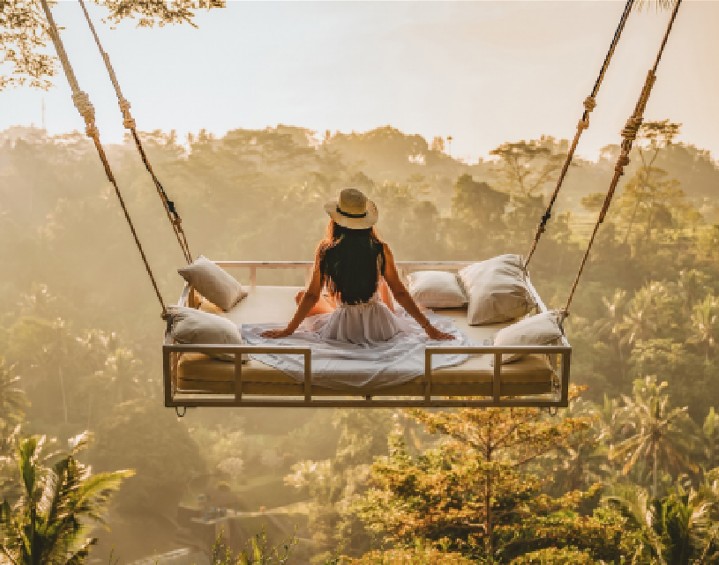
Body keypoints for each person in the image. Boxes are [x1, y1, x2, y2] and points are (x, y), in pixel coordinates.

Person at [261, 188, 454, 342]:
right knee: (383, 282)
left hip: (345, 327)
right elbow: (400, 293)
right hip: (380, 324)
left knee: (302, 297)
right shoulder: (379, 249)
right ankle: (342, 304)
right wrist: (429, 328)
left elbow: (312, 296)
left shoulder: (326, 250)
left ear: (335, 220)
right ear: (366, 221)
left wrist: (289, 330)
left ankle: (333, 304)